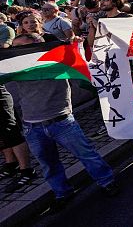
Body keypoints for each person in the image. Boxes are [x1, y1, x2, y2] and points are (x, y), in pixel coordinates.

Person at [9, 33, 120, 210]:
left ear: (36, 46)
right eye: (13, 48)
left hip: (62, 121)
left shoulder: (57, 60)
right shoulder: (15, 67)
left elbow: (82, 64)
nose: (15, 52)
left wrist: (77, 47)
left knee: (87, 155)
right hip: (32, 126)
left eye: (20, 48)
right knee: (49, 165)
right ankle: (62, 193)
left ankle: (107, 182)